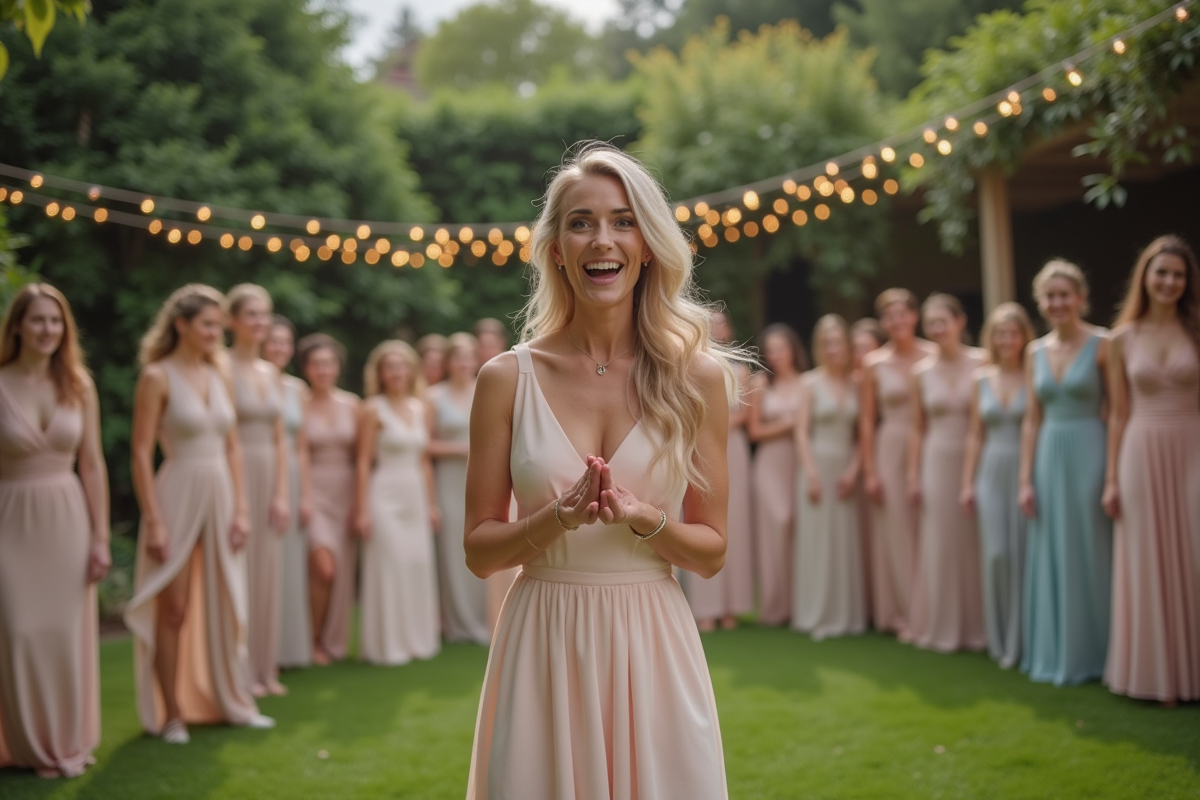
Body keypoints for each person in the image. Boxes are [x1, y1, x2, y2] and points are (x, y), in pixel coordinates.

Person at [462, 143, 734, 799]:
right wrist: (554, 519)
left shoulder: (697, 379)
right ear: (556, 247)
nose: (601, 239)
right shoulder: (505, 380)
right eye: (581, 222)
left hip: (653, 641)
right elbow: (478, 550)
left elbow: (712, 551)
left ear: (646, 244)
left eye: (621, 220)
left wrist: (644, 520)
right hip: (542, 639)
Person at [125, 284, 273, 744]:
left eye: (218, 324)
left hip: (224, 494)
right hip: (177, 492)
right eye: (208, 324)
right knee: (174, 607)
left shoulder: (220, 373)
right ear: (181, 324)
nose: (217, 332)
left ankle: (233, 701)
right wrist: (153, 519)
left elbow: (232, 447)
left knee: (229, 600)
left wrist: (243, 509)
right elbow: (139, 452)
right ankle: (172, 714)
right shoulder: (157, 376)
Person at [0, 284, 108, 777]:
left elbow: (93, 465)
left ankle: (64, 743)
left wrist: (101, 536)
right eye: (38, 320)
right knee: (18, 631)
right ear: (17, 325)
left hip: (68, 518)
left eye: (56, 321)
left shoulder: (78, 385)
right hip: (10, 516)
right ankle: (24, 747)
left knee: (66, 633)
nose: (48, 330)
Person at [1103, 235, 1200, 705]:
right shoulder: (1120, 339)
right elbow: (1117, 414)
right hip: (1140, 449)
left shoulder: (1197, 329)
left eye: (1178, 274)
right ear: (1145, 276)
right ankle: (1160, 678)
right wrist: (1110, 479)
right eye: (1161, 272)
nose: (1169, 282)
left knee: (1194, 553)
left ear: (1188, 282)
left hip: (1193, 447)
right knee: (1149, 558)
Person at [1019, 260, 1112, 685]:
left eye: (1064, 294)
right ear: (1041, 302)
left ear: (1080, 297)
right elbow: (1032, 419)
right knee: (1053, 549)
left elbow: (1116, 412)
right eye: (1050, 296)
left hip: (1091, 448)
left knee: (1093, 549)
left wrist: (1113, 473)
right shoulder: (1034, 351)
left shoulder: (1105, 343)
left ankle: (1103, 651)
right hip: (1047, 455)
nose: (1058, 303)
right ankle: (1058, 650)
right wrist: (1024, 479)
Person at [905, 294, 988, 653]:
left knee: (975, 540)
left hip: (979, 458)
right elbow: (917, 429)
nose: (938, 329)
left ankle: (981, 627)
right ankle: (942, 626)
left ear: (960, 322)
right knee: (940, 541)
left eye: (943, 321)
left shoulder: (983, 362)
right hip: (937, 459)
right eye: (931, 324)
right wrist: (912, 475)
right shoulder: (920, 373)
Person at [354, 340, 441, 665]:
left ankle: (417, 640)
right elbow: (363, 462)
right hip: (384, 493)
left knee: (416, 564)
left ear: (411, 370)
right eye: (390, 367)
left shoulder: (421, 408)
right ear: (380, 373)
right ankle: (386, 646)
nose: (397, 372)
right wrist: (361, 509)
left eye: (402, 366)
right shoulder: (372, 408)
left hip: (415, 494)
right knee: (389, 565)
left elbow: (423, 461)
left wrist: (432, 505)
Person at [859, 290, 937, 637]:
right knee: (899, 532)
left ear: (914, 316)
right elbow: (865, 420)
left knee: (932, 528)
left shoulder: (934, 354)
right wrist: (871, 470)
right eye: (889, 316)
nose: (897, 321)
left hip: (932, 444)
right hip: (890, 445)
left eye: (902, 314)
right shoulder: (873, 362)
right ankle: (907, 613)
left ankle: (936, 607)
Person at [961, 302, 1034, 668]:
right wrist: (967, 482)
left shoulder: (1034, 374)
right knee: (998, 553)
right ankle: (1001, 639)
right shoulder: (981, 378)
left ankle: (1025, 641)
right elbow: (975, 434)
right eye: (1000, 333)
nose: (1007, 339)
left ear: (1024, 336)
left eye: (1013, 332)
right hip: (989, 469)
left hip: (1026, 468)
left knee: (1025, 554)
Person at [225, 284, 290, 696]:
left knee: (268, 572)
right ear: (233, 320)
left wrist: (282, 493)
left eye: (265, 314)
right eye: (252, 314)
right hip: (235, 473)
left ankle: (265, 670)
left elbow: (280, 438)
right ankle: (238, 672)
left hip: (270, 475)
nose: (260, 322)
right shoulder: (220, 367)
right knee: (239, 573)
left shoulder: (271, 372)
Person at [792, 314, 866, 640]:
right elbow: (802, 432)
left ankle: (847, 616)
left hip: (847, 470)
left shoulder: (859, 383)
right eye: (827, 343)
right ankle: (815, 614)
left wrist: (854, 471)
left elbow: (863, 435)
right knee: (817, 541)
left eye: (838, 342)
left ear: (847, 345)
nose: (833, 348)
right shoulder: (810, 382)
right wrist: (810, 472)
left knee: (844, 540)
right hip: (818, 466)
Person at [685, 308, 755, 632]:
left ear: (728, 330)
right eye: (708, 323)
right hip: (698, 449)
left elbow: (745, 418)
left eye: (720, 323)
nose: (715, 328)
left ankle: (732, 607)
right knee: (700, 521)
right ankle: (706, 608)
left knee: (734, 526)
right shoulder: (688, 367)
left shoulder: (740, 371)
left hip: (734, 450)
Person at [298, 333, 359, 665]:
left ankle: (331, 640)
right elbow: (298, 456)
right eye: (316, 364)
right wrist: (304, 497)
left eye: (329, 363)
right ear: (306, 368)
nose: (323, 370)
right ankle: (311, 639)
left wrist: (360, 503)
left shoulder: (352, 404)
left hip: (345, 491)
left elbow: (363, 459)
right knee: (324, 568)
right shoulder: (298, 403)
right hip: (314, 492)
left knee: (341, 570)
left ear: (337, 367)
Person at [427, 332, 491, 645]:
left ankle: (484, 617)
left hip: (483, 477)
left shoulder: (488, 387)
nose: (464, 363)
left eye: (469, 357)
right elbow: (424, 444)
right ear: (448, 362)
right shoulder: (433, 397)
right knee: (453, 548)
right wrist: (463, 449)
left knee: (484, 539)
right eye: (458, 358)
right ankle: (457, 621)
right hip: (449, 480)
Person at [748, 323, 807, 626]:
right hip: (770, 465)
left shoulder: (808, 382)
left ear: (793, 350)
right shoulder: (760, 382)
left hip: (799, 462)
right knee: (777, 525)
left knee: (800, 529)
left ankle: (800, 604)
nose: (776, 356)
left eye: (781, 349)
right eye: (770, 351)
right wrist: (790, 424)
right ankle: (773, 606)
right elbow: (755, 431)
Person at [262, 315, 312, 669]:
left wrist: (306, 494)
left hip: (292, 479)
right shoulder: (248, 381)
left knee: (291, 562)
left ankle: (286, 649)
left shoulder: (297, 389)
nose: (279, 348)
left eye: (285, 342)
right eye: (273, 341)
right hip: (258, 473)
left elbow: (302, 448)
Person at [850, 317, 886, 627]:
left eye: (866, 346)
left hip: (875, 458)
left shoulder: (875, 376)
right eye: (856, 347)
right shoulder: (852, 380)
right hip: (857, 465)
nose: (859, 352)